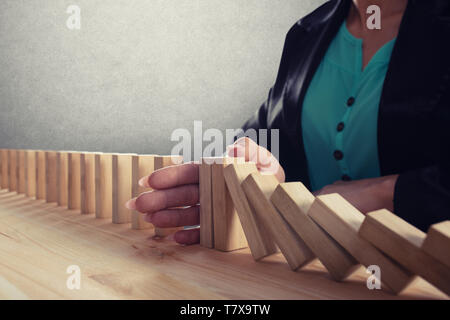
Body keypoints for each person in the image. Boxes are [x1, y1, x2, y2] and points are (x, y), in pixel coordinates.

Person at [126, 0, 450, 245]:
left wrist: (389, 193)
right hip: (315, 276)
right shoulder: (307, 32)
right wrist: (248, 172)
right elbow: (268, 139)